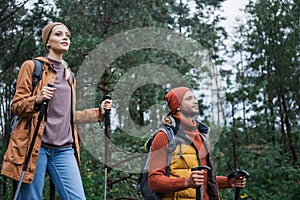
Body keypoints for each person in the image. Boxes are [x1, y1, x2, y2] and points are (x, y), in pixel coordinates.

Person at [1, 22, 112, 200]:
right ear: (47, 42)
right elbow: (17, 106)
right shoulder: (32, 67)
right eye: (59, 34)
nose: (65, 38)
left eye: (67, 35)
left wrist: (98, 112)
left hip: (64, 150)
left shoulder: (70, 76)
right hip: (35, 146)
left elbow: (68, 116)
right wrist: (37, 99)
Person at [148, 87, 247, 200]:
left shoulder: (202, 136)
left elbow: (203, 180)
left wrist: (228, 182)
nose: (196, 101)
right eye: (189, 98)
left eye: (195, 97)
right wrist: (186, 182)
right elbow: (154, 181)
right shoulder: (164, 136)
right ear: (178, 106)